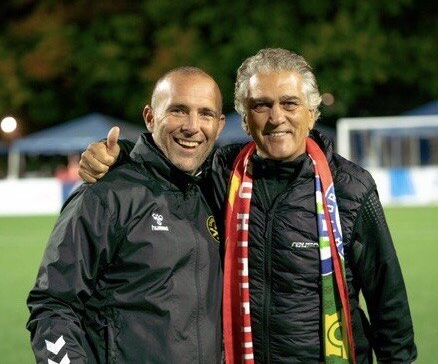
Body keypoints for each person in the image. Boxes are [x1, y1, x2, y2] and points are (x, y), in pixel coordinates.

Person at [79, 48, 417, 363]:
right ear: (244, 119)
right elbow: (168, 159)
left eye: (290, 104)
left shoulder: (350, 187)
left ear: (312, 114)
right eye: (261, 105)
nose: (276, 118)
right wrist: (118, 153)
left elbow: (388, 302)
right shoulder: (222, 174)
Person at [26, 67, 226, 363]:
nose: (192, 126)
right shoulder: (105, 196)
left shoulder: (219, 192)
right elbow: (52, 305)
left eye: (205, 114)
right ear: (150, 117)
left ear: (219, 125)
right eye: (178, 111)